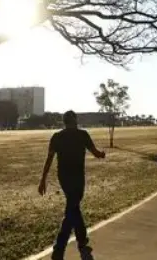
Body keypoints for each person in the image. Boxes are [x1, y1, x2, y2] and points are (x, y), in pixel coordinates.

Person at [38, 110, 106, 260]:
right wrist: (102, 154)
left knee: (74, 207)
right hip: (78, 178)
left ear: (64, 121)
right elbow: (95, 152)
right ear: (75, 120)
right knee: (71, 211)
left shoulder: (57, 137)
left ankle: (82, 240)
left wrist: (43, 179)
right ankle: (58, 249)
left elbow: (49, 159)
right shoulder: (83, 135)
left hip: (64, 179)